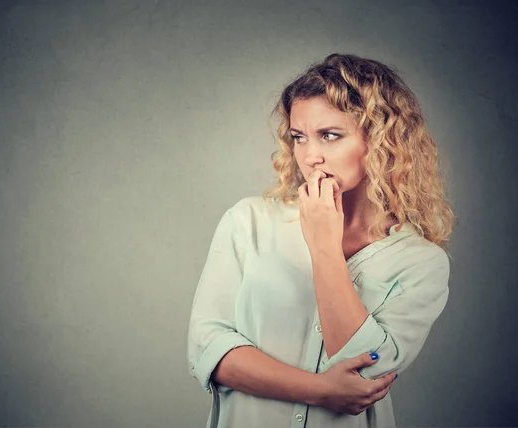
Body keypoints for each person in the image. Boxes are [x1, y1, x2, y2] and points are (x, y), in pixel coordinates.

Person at [187, 53, 455, 428]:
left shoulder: (421, 262)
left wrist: (324, 248)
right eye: (299, 137)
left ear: (381, 141)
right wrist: (318, 390)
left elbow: (366, 373)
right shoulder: (249, 221)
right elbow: (208, 349)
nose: (310, 156)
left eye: (330, 136)